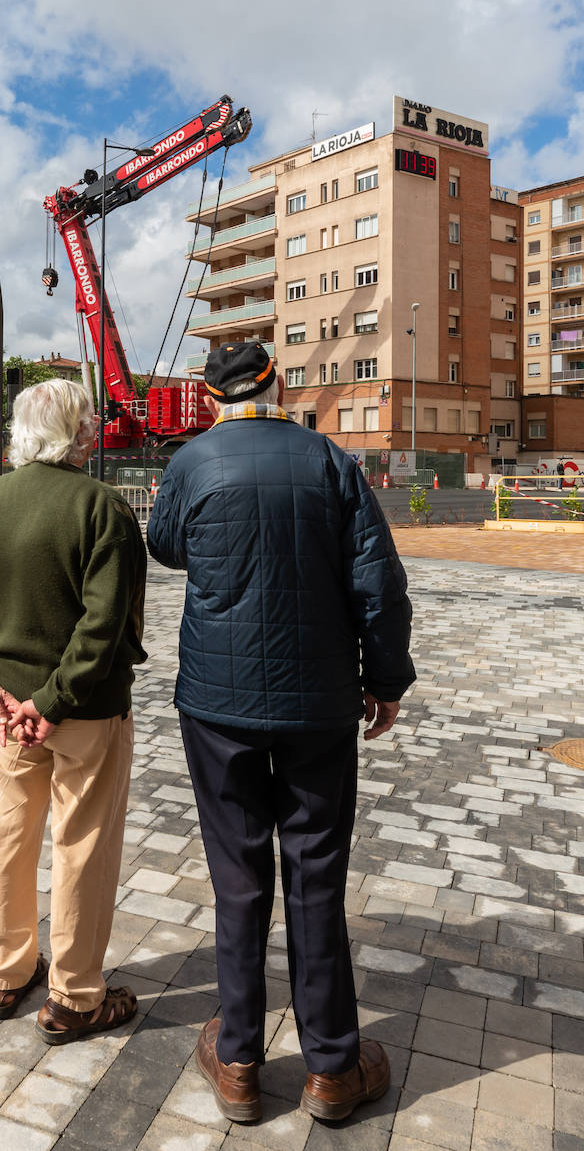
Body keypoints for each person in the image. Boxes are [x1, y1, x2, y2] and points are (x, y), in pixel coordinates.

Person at [147, 342, 415, 1125]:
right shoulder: (330, 460)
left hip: (216, 702)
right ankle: (331, 1068)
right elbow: (379, 582)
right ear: (278, 384)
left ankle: (236, 1060)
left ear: (209, 396)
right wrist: (386, 680)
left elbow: (163, 546)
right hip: (318, 701)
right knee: (316, 875)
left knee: (237, 878)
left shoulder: (193, 463)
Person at [0, 379, 147, 1043]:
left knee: (8, 835)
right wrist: (53, 704)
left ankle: (5, 971)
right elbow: (104, 624)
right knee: (81, 845)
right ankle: (77, 997)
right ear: (81, 433)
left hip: (4, 711)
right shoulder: (101, 506)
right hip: (83, 711)